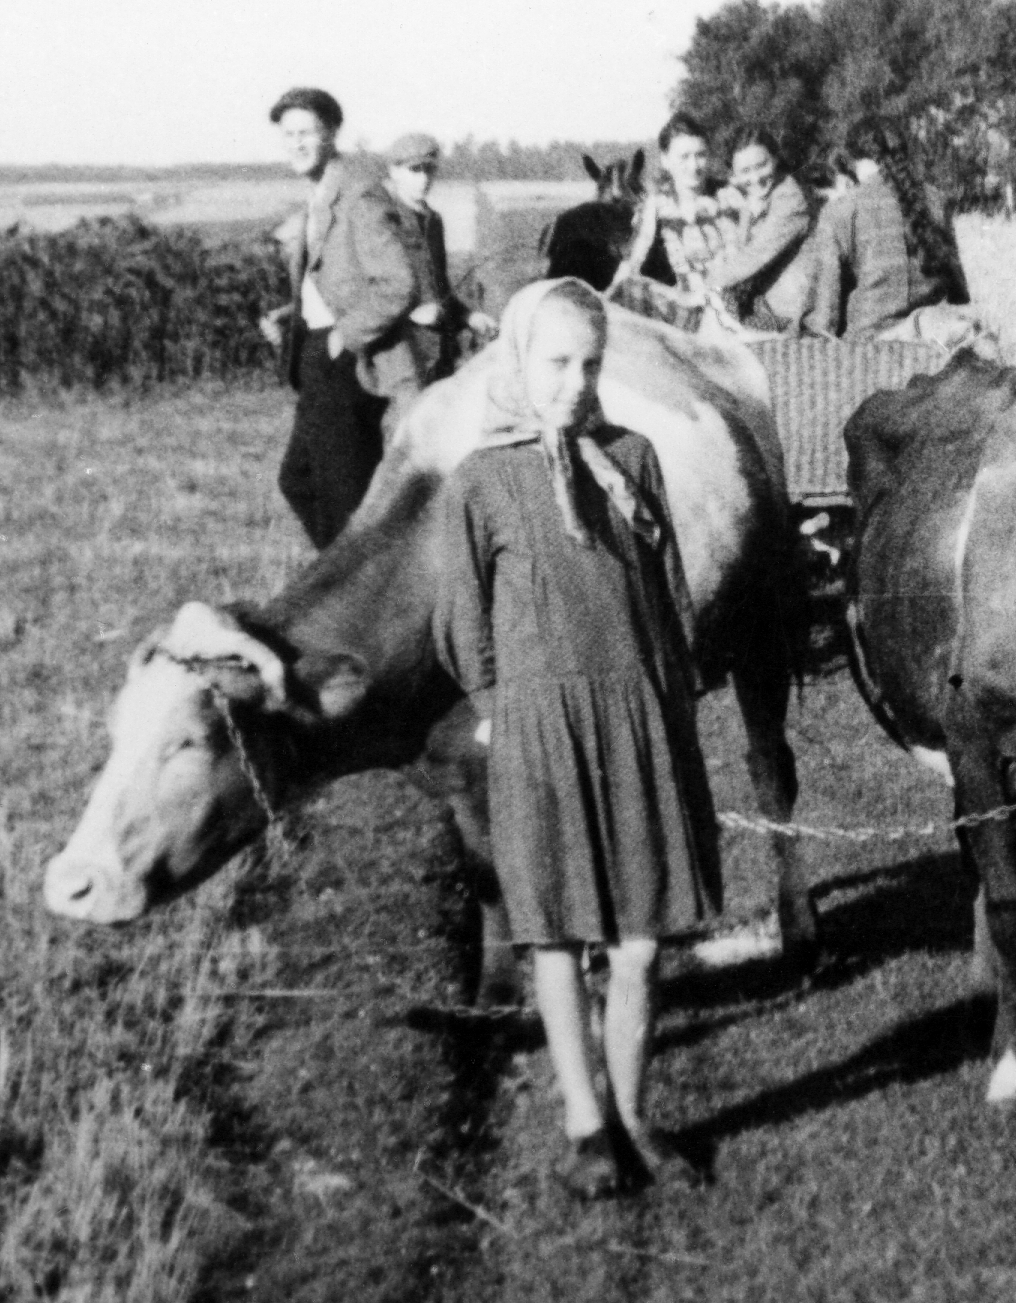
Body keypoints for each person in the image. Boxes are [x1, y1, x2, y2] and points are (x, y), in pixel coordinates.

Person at [431, 278, 721, 1198]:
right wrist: (496, 707)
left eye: (590, 363)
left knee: (639, 941)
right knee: (554, 935)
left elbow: (668, 594)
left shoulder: (631, 456)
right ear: (519, 360)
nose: (572, 381)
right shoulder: (482, 479)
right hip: (540, 728)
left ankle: (635, 1113)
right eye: (555, 362)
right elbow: (462, 618)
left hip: (637, 717)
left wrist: (673, 706)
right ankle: (584, 1120)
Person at [257, 86, 420, 549]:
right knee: (301, 480)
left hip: (347, 361)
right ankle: (346, 584)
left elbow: (397, 283)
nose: (297, 143)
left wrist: (344, 335)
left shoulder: (358, 193)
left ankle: (355, 598)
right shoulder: (321, 192)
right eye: (288, 134)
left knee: (343, 495)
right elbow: (340, 280)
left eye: (306, 132)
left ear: (332, 133)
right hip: (317, 348)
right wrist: (294, 315)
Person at [803, 116, 971, 341]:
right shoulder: (937, 201)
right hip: (934, 341)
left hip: (870, 350)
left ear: (852, 160)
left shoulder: (839, 211)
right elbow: (958, 294)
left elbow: (824, 320)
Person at [378, 131, 497, 389]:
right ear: (393, 171)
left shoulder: (434, 220)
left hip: (439, 347)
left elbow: (440, 288)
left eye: (429, 170)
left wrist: (469, 317)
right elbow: (371, 286)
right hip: (399, 349)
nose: (424, 179)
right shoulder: (384, 220)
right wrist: (410, 313)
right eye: (414, 169)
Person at [609, 112, 728, 328]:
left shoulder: (726, 196)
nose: (694, 166)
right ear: (665, 160)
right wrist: (608, 298)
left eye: (700, 155)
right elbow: (633, 260)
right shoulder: (657, 204)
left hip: (727, 299)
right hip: (687, 304)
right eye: (684, 157)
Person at [707, 129, 813, 333]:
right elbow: (740, 251)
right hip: (766, 310)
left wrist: (705, 287)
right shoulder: (754, 200)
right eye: (745, 171)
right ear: (733, 175)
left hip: (792, 318)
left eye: (762, 165)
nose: (755, 178)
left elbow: (754, 256)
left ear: (775, 158)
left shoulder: (789, 198)